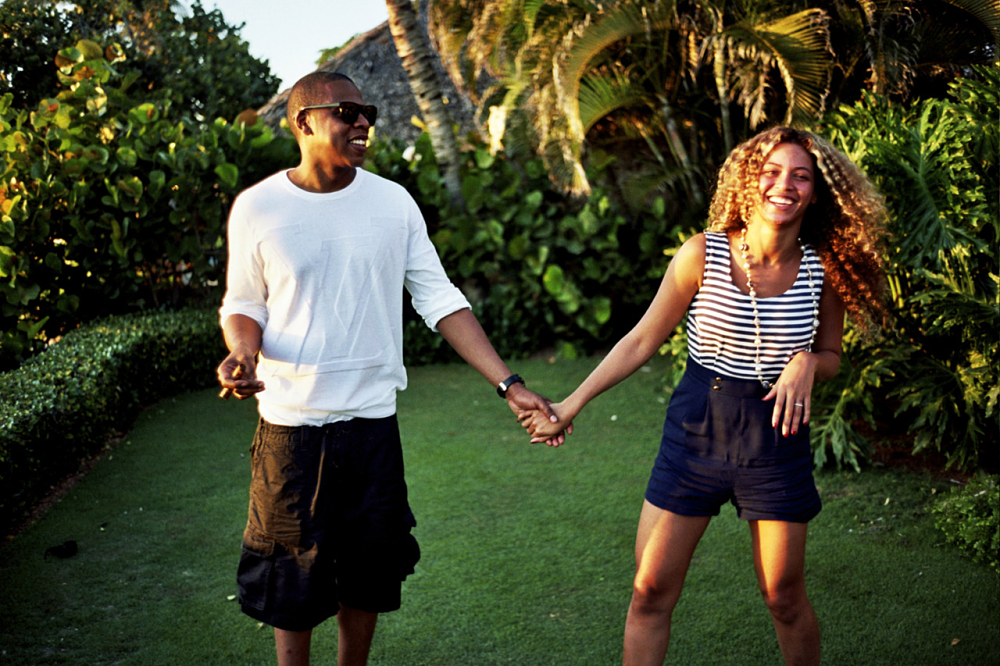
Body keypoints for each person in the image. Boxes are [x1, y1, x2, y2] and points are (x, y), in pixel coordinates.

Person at [216, 71, 564, 666]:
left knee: (369, 573)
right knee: (290, 583)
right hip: (290, 431)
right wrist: (243, 353)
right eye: (346, 111)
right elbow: (244, 302)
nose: (362, 123)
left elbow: (440, 298)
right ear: (304, 121)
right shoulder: (258, 206)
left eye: (367, 111)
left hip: (372, 427)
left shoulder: (391, 201)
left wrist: (509, 384)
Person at [520, 126, 889, 666]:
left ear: (816, 192)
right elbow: (643, 338)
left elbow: (831, 355)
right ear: (749, 179)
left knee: (784, 598)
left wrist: (808, 362)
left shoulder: (822, 270)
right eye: (771, 172)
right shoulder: (703, 254)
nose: (783, 185)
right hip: (696, 432)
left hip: (776, 439)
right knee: (649, 591)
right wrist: (572, 402)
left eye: (800, 176)